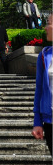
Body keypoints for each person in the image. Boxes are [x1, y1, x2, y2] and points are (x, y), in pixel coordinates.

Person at [32, 14, 52, 155]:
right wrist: (37, 121)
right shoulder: (44, 55)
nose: (45, 27)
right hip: (50, 121)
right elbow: (39, 89)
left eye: (49, 23)